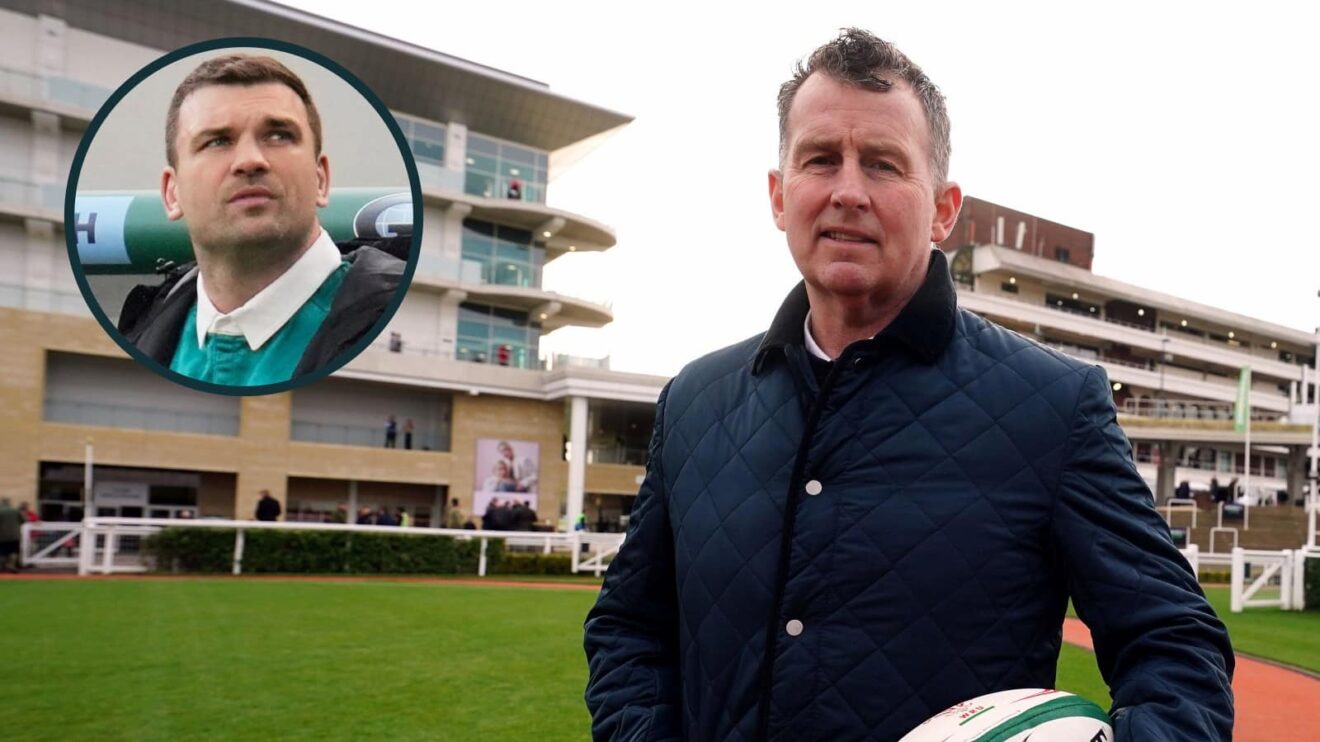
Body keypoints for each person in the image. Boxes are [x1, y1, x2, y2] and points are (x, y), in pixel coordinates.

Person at [583, 29, 1233, 741]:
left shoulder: (1055, 405)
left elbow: (1175, 646)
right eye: (820, 159)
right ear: (778, 195)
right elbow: (627, 629)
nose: (848, 191)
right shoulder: (696, 402)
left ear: (944, 208)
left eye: (885, 165)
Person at [115, 54, 407, 386]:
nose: (250, 160)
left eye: (278, 135)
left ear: (321, 179)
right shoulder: (143, 327)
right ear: (172, 193)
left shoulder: (390, 310)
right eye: (217, 141)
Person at [0, 498, 23, 573]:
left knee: (2, 551)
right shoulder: (15, 510)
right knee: (14, 551)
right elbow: (23, 520)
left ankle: (2, 566)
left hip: (2, 535)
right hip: (15, 535)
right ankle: (11, 565)